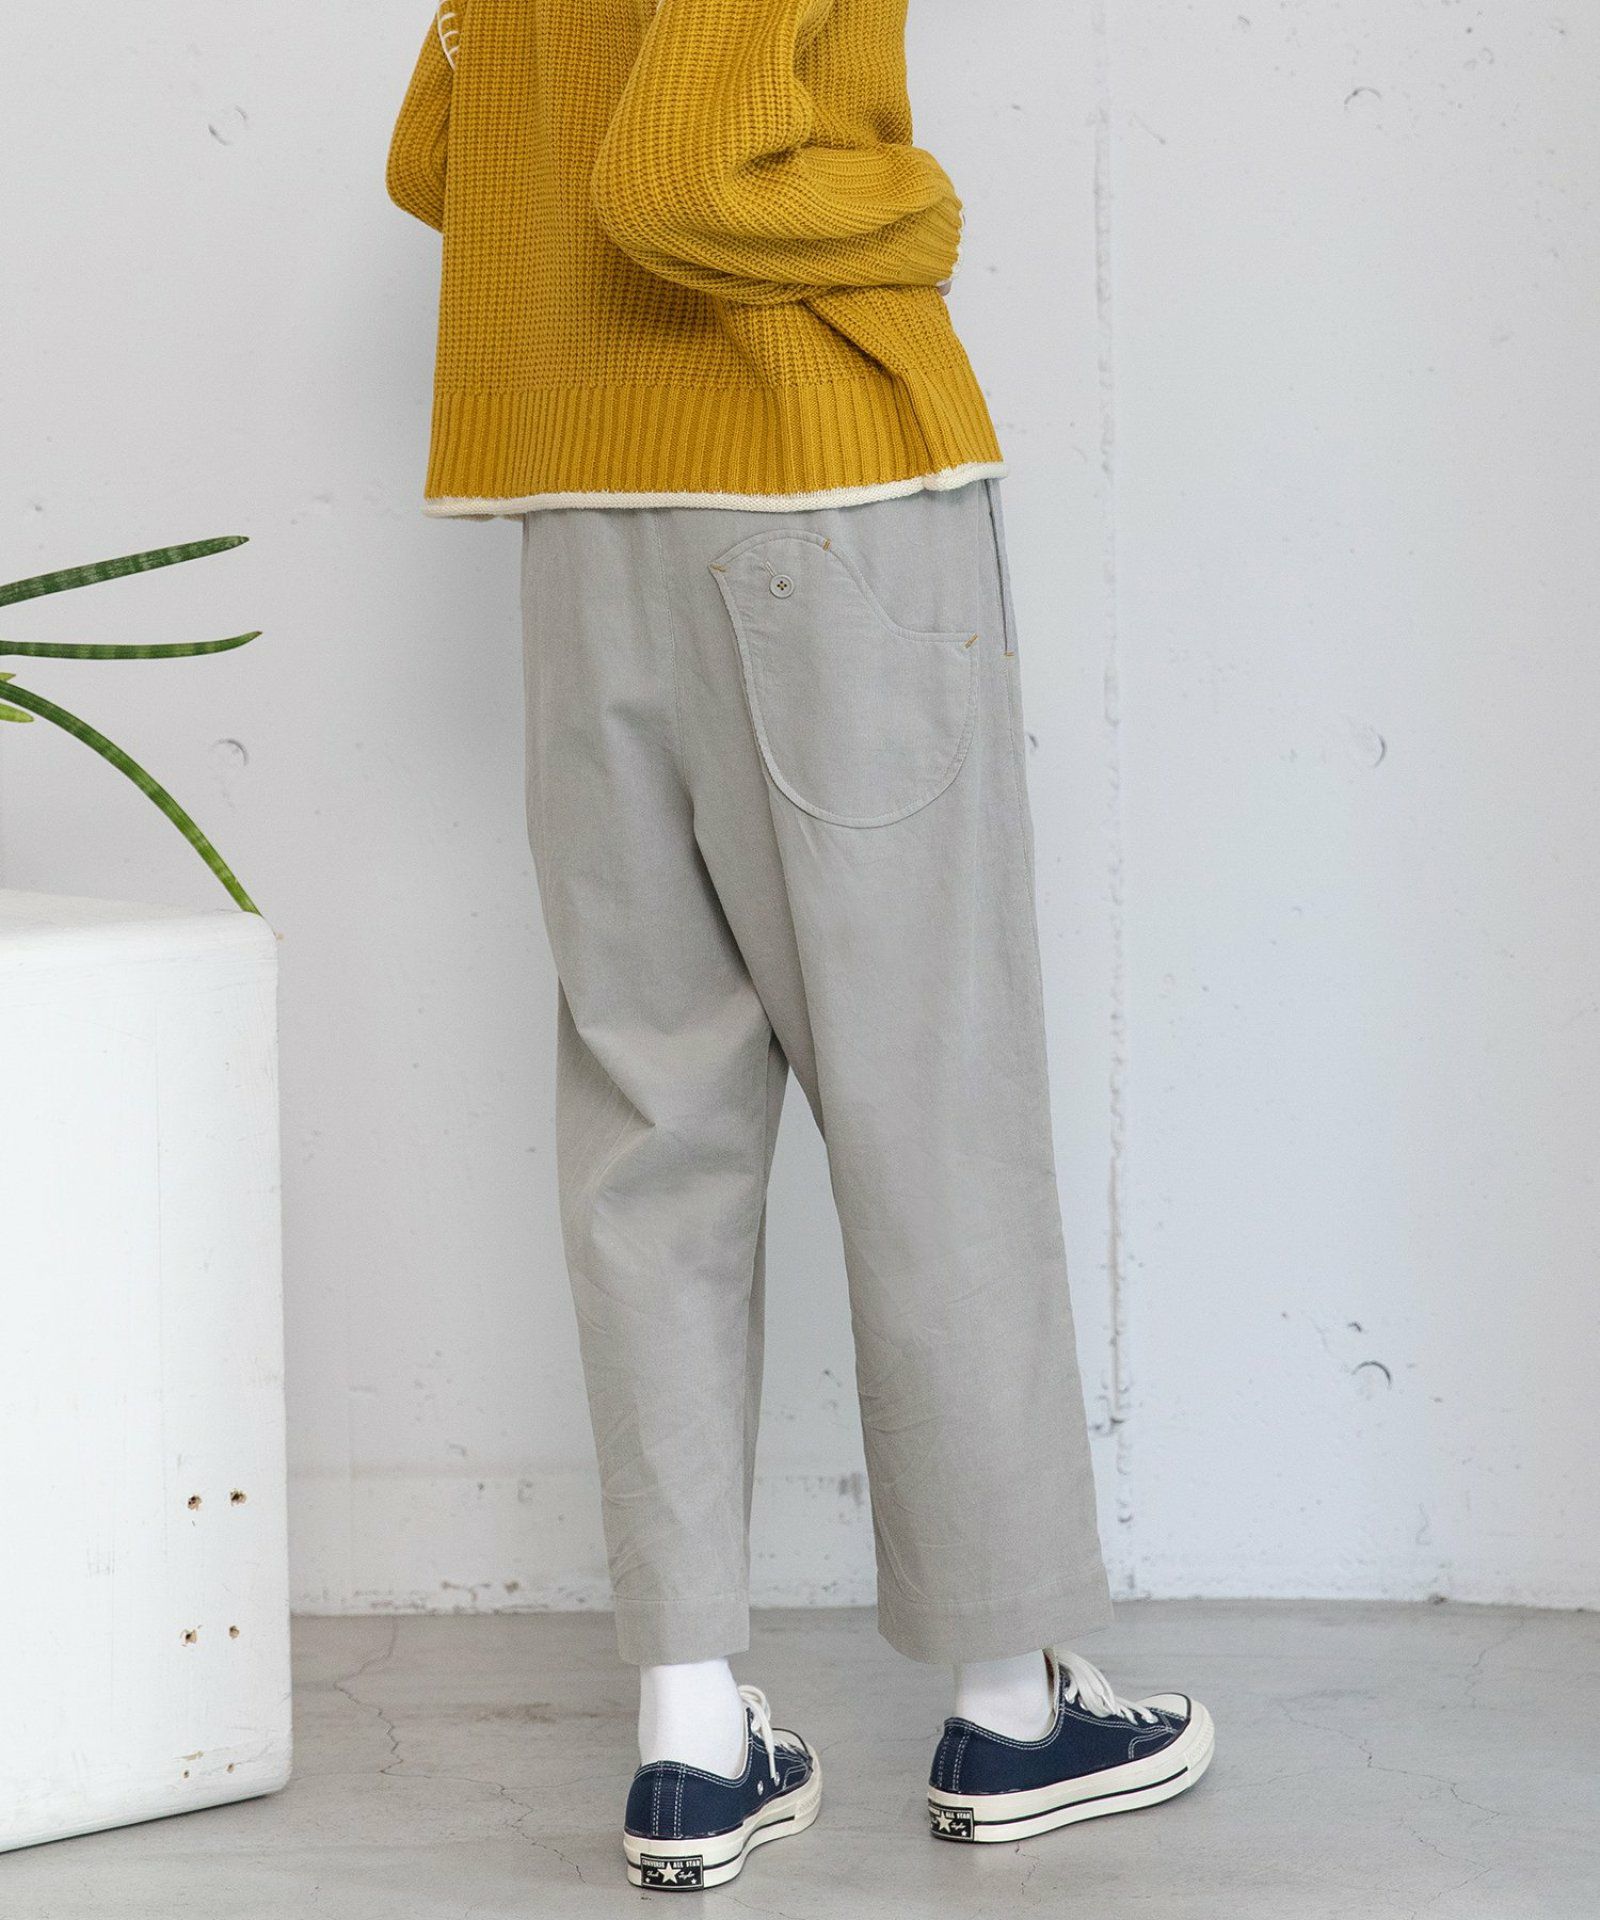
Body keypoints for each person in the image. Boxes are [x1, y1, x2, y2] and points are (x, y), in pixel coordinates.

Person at [388, 0, 1212, 1890]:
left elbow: (434, 159)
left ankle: (690, 1739)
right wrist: (913, 208)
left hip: (579, 520)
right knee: (929, 1087)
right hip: (824, 504)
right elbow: (674, 180)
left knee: (650, 1113)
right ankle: (1013, 1706)